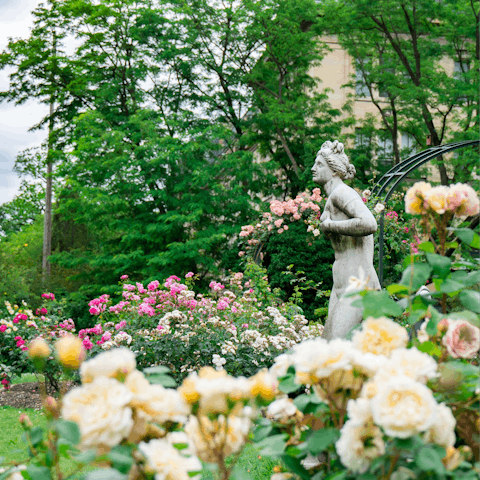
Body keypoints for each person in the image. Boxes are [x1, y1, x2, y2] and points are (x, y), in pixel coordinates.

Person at [311, 140, 380, 340]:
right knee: (331, 352)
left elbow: (369, 223)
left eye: (320, 165)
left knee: (334, 351)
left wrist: (330, 226)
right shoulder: (332, 198)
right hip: (340, 286)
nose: (313, 169)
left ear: (334, 171)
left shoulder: (342, 192)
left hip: (358, 285)